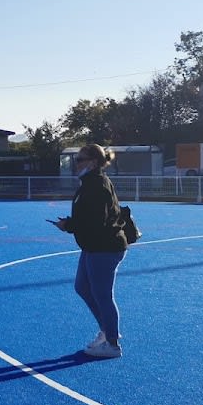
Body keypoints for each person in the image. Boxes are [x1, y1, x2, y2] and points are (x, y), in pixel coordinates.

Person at [52, 143, 129, 359]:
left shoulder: (97, 185)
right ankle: (107, 330)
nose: (75, 164)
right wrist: (71, 223)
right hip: (93, 246)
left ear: (93, 162)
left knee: (102, 294)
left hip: (105, 247)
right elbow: (89, 218)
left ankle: (112, 343)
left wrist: (69, 226)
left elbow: (95, 221)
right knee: (83, 287)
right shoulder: (89, 183)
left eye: (79, 160)